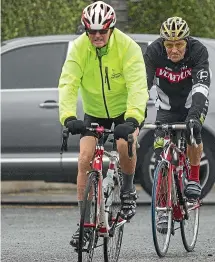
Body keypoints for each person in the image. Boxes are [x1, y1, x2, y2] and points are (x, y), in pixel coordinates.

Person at [58, 1, 149, 247]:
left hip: (124, 112)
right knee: (84, 159)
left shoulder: (127, 47)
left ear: (111, 28)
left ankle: (128, 189)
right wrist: (68, 117)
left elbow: (138, 86)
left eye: (102, 31)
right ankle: (84, 225)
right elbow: (68, 82)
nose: (97, 36)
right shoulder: (78, 48)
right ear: (86, 30)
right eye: (92, 31)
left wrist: (132, 119)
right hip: (95, 112)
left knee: (124, 145)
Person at [143, 16, 211, 229]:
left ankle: (192, 178)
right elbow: (142, 85)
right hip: (166, 108)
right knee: (160, 151)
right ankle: (163, 208)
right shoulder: (153, 51)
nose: (174, 50)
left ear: (187, 42)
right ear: (162, 43)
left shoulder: (198, 51)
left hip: (193, 103)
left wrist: (195, 115)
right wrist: (135, 114)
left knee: (193, 132)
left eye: (179, 44)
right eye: (169, 45)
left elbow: (201, 86)